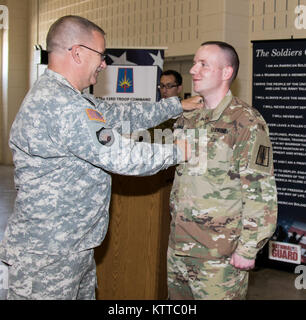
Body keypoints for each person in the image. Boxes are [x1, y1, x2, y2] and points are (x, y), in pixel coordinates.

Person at [0, 15, 203, 300]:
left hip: (72, 247)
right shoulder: (61, 105)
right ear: (78, 53)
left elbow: (120, 115)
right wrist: (180, 151)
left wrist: (175, 106)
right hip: (48, 256)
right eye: (102, 55)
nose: (105, 63)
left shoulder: (73, 98)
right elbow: (122, 156)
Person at [167, 41, 278, 300]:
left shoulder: (246, 121)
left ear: (226, 72)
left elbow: (260, 191)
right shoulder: (187, 118)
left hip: (219, 257)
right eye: (195, 63)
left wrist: (248, 248)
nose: (194, 70)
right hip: (179, 249)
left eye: (203, 64)